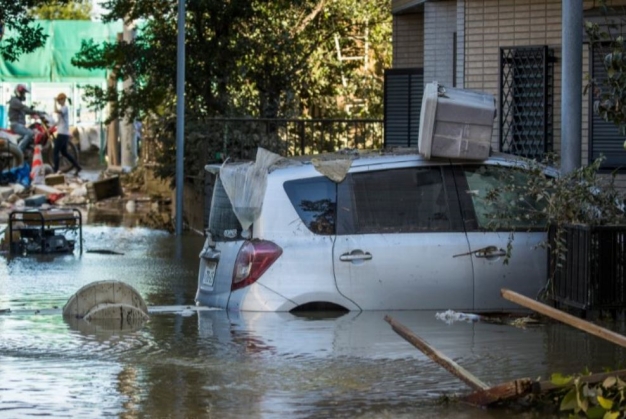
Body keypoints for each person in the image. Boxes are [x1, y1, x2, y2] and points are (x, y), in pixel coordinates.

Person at [53, 92, 82, 175]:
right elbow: (59, 121)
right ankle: (78, 167)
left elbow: (55, 111)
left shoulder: (64, 108)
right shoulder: (63, 109)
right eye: (58, 100)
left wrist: (54, 102)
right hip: (64, 133)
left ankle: (56, 171)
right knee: (64, 153)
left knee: (55, 152)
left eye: (60, 100)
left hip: (62, 134)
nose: (59, 101)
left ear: (64, 100)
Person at [8, 84, 42, 153]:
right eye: (23, 93)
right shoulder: (14, 101)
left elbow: (25, 111)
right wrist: (37, 112)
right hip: (16, 125)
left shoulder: (18, 102)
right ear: (18, 92)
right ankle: (18, 152)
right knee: (30, 133)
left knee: (32, 131)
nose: (24, 95)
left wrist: (33, 113)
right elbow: (24, 108)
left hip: (19, 125)